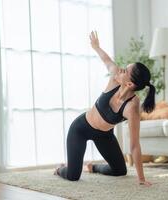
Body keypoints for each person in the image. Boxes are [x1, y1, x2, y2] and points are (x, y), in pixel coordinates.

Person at [53, 31, 156, 186]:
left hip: (104, 135)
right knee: (73, 176)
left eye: (125, 71)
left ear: (129, 84)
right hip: (81, 129)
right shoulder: (115, 78)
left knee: (120, 171)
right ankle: (60, 169)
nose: (121, 69)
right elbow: (107, 60)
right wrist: (96, 47)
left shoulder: (132, 107)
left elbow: (134, 145)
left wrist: (141, 178)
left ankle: (93, 167)